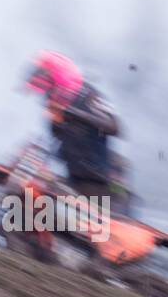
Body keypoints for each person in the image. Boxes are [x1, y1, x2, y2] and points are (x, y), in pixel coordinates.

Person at [23, 50, 130, 214]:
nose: (46, 94)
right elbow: (59, 141)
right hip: (75, 178)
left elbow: (114, 127)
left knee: (94, 226)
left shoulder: (88, 95)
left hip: (99, 183)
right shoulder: (52, 102)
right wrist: (39, 159)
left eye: (48, 87)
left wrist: (71, 114)